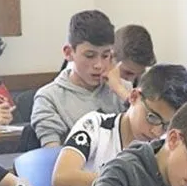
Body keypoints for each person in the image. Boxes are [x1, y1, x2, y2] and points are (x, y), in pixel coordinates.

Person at [52, 64, 187, 186]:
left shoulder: (172, 141)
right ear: (134, 97)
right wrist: (132, 181)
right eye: (152, 117)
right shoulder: (95, 126)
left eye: (167, 124)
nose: (156, 131)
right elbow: (62, 176)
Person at [31, 10, 126, 148]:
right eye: (89, 55)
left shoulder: (123, 90)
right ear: (69, 53)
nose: (98, 65)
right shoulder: (49, 98)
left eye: (105, 56)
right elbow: (51, 155)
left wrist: (120, 90)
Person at [103, 24, 157, 101]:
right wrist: (118, 87)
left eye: (140, 74)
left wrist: (119, 88)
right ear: (111, 57)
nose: (132, 80)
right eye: (128, 73)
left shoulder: (145, 85)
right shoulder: (96, 89)